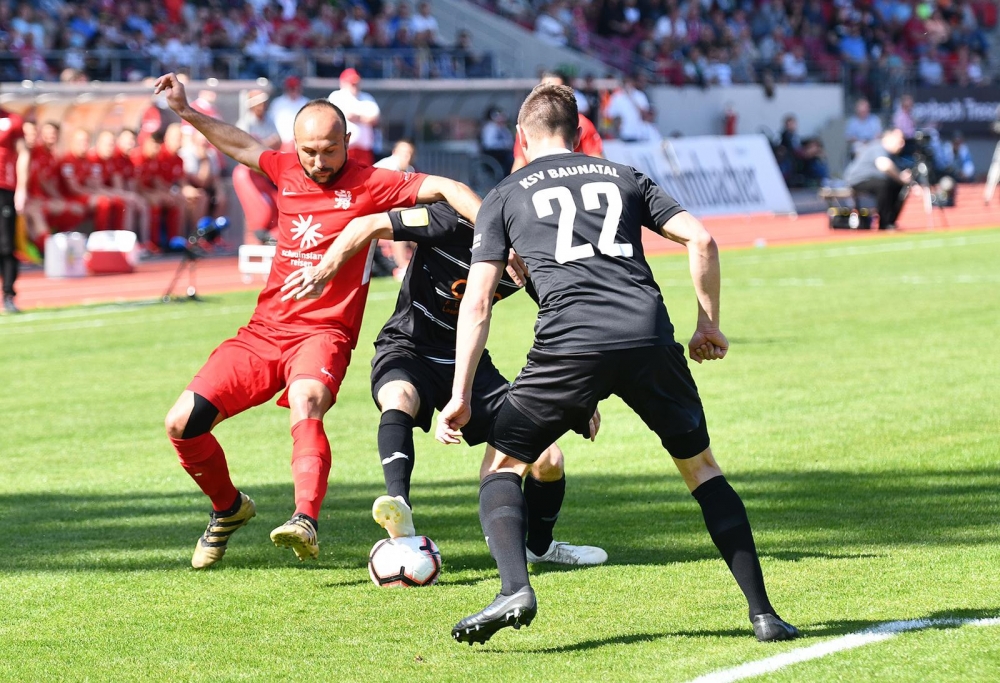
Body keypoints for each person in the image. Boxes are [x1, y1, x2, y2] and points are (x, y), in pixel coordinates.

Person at [436, 84, 799, 645]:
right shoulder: (622, 174)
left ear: (521, 139)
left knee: (503, 468)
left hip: (570, 343)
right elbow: (701, 240)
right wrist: (707, 324)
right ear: (581, 134)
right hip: (646, 334)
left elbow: (478, 301)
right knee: (702, 469)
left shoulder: (505, 194)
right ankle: (764, 614)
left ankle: (514, 587)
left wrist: (461, 393)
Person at [153, 72, 482, 569]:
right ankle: (229, 509)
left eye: (329, 151)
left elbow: (445, 187)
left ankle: (305, 519)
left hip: (324, 333)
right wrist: (186, 111)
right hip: (264, 331)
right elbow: (240, 144)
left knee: (306, 401)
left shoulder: (370, 182)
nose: (318, 162)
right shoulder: (285, 168)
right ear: (294, 146)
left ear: (347, 142)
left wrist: (496, 235)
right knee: (181, 423)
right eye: (308, 151)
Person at [280, 201, 607, 566]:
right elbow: (369, 224)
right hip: (407, 347)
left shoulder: (532, 256)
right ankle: (398, 506)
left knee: (549, 458)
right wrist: (325, 268)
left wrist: (581, 390)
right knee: (398, 396)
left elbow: (562, 318)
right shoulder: (448, 222)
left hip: (468, 364)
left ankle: (540, 547)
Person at [510, 70, 603, 173]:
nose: (550, 96)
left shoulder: (582, 123)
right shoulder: (527, 125)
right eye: (545, 89)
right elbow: (519, 164)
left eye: (556, 89)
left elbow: (598, 163)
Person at [236, 88, 282, 244]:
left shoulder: (269, 119)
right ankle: (254, 240)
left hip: (263, 171)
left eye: (263, 103)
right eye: (258, 103)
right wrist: (265, 144)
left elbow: (278, 142)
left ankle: (270, 239)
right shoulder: (245, 123)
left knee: (279, 203)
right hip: (247, 172)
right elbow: (247, 151)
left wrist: (261, 145)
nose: (262, 106)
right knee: (262, 210)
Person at [843, 128, 911, 230]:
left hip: (872, 180)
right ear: (889, 138)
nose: (902, 144)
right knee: (884, 184)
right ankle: (884, 222)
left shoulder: (892, 155)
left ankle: (890, 221)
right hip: (858, 180)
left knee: (897, 185)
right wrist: (901, 177)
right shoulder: (878, 147)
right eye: (900, 140)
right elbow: (884, 165)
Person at [0, 103, 29, 314]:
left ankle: (9, 294)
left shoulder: (12, 119)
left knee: (6, 244)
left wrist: (21, 188)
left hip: (4, 187)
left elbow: (23, 153)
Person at [328, 68, 381, 167]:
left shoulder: (367, 98)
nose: (354, 86)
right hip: (345, 148)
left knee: (366, 178)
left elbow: (375, 118)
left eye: (356, 83)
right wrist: (363, 118)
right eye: (351, 83)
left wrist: (358, 118)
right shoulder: (337, 96)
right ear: (343, 83)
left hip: (364, 149)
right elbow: (342, 116)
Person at [268, 75, 310, 152]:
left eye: (295, 88)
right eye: (291, 88)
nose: (293, 91)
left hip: (300, 142)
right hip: (279, 143)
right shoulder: (277, 103)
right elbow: (270, 123)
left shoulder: (306, 102)